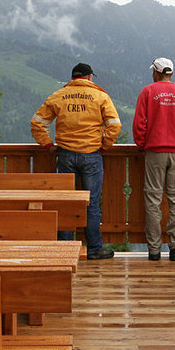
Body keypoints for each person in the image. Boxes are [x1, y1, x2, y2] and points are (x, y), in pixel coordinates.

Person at [31, 63, 122, 260]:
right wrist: (104, 145)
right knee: (92, 204)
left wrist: (48, 145)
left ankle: (64, 248)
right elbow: (115, 126)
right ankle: (94, 249)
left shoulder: (58, 96)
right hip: (91, 155)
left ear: (73, 78)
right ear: (90, 78)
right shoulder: (100, 97)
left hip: (65, 155)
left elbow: (37, 123)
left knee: (65, 202)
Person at [133, 57, 175, 261]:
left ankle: (154, 250)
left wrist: (144, 145)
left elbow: (139, 125)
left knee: (153, 200)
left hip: (155, 152)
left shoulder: (148, 92)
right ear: (171, 73)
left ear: (156, 72)